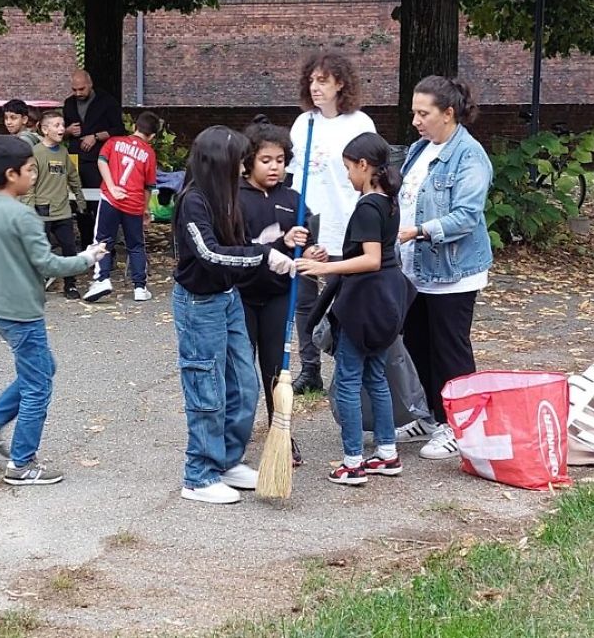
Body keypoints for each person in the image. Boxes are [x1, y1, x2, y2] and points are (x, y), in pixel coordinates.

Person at [0, 136, 108, 485]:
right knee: (38, 385)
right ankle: (21, 464)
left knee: (42, 368)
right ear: (11, 174)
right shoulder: (24, 215)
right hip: (20, 311)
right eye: (30, 169)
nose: (35, 174)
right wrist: (87, 258)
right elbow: (47, 263)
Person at [173, 126, 304, 505]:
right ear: (218, 163)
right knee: (207, 388)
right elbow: (210, 254)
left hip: (228, 298)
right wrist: (263, 256)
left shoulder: (226, 195)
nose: (242, 168)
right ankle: (198, 475)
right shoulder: (193, 201)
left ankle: (227, 460)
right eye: (236, 161)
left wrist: (272, 248)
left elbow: (241, 244)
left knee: (244, 384)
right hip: (199, 305)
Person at [296, 132, 414, 485]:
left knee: (348, 380)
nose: (347, 176)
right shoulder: (389, 201)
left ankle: (352, 461)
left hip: (365, 302)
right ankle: (387, 454)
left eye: (349, 168)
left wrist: (323, 268)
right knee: (375, 376)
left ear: (364, 166)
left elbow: (371, 259)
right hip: (389, 300)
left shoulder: (367, 205)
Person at [394, 76, 494, 460]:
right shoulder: (421, 148)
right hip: (414, 268)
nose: (416, 121)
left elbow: (467, 216)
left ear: (448, 114)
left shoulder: (470, 156)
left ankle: (460, 425)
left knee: (450, 350)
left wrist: (419, 231)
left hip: (452, 273)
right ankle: (431, 416)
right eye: (414, 113)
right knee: (417, 343)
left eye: (424, 113)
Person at [288, 51, 376, 395]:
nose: (315, 87)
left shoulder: (359, 124)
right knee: (304, 301)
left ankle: (348, 370)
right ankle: (310, 369)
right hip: (310, 223)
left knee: (346, 303)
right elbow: (295, 178)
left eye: (322, 80)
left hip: (348, 224)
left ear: (341, 83)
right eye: (311, 80)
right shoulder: (304, 123)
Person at [236, 115, 318, 466]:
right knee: (240, 372)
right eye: (266, 160)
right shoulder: (235, 198)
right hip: (241, 293)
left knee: (276, 368)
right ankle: (233, 439)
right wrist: (279, 240)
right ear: (249, 161)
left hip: (278, 295)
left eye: (280, 160)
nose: (274, 167)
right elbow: (238, 246)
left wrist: (312, 249)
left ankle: (281, 433)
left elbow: (306, 241)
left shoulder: (294, 199)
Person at [82, 110, 161, 303]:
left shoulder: (113, 142)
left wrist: (111, 186)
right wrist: (145, 209)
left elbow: (101, 162)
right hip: (134, 203)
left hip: (111, 199)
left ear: (134, 127)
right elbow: (148, 186)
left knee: (103, 240)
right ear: (152, 136)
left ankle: (102, 279)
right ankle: (140, 287)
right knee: (136, 245)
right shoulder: (149, 154)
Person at [63, 69, 127, 248]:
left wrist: (96, 136)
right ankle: (85, 246)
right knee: (79, 204)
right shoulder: (69, 103)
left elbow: (119, 129)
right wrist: (68, 131)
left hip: (98, 159)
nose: (78, 93)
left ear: (90, 84)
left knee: (98, 205)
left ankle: (104, 247)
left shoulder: (107, 102)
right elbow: (62, 130)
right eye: (74, 89)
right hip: (76, 158)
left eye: (81, 89)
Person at [28, 110, 85, 300]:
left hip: (63, 212)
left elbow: (72, 177)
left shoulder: (63, 152)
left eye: (62, 125)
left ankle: (70, 285)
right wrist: (29, 209)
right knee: (40, 251)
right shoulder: (36, 153)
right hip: (41, 213)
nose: (62, 129)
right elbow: (29, 184)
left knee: (69, 249)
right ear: (45, 129)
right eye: (57, 125)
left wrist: (80, 199)